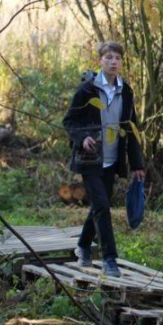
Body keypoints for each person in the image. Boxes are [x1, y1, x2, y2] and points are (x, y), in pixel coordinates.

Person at [63, 41, 146, 277]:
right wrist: (82, 138)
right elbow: (69, 121)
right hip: (90, 160)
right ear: (100, 60)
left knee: (100, 206)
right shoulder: (87, 90)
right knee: (102, 206)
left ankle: (82, 245)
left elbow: (131, 129)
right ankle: (110, 259)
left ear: (121, 62)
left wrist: (137, 164)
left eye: (117, 58)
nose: (113, 62)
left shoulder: (126, 91)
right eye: (108, 57)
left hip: (112, 160)